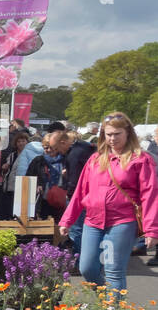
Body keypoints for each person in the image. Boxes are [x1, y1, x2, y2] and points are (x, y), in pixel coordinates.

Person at [60, 112, 158, 292]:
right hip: (93, 221)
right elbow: (80, 192)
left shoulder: (141, 160)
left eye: (117, 134)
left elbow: (150, 195)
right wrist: (68, 219)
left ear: (128, 133)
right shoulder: (95, 159)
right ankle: (107, 302)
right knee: (87, 268)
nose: (112, 138)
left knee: (114, 271)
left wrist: (151, 230)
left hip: (122, 222)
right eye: (108, 134)